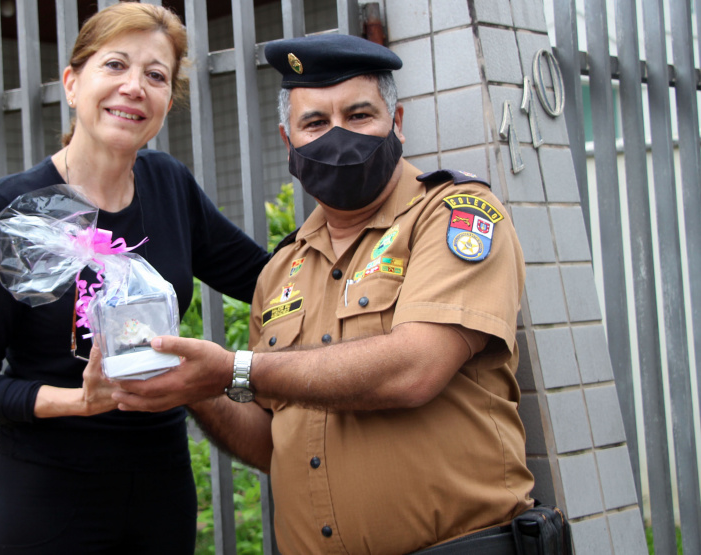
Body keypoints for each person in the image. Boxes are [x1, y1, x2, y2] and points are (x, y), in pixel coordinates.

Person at [114, 34, 535, 554]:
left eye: (359, 115)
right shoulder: (280, 271)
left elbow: (415, 368)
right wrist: (195, 386)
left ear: (397, 122)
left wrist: (233, 369)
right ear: (288, 142)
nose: (337, 136)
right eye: (314, 123)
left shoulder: (452, 215)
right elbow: (272, 441)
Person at [0, 4, 269, 554]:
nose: (134, 87)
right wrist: (78, 401)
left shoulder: (169, 185)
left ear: (166, 103)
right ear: (72, 84)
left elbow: (265, 279)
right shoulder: (16, 209)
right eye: (115, 65)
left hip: (160, 482)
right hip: (50, 490)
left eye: (155, 75)